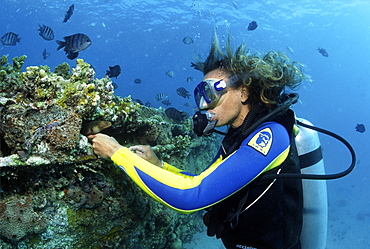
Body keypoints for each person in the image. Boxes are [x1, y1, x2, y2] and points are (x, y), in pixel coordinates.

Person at [89, 34, 306, 249]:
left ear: (243, 92)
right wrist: (159, 166)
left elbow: (192, 196)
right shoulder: (238, 134)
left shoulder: (269, 135)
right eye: (199, 95)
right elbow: (203, 181)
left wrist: (117, 153)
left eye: (209, 92)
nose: (203, 105)